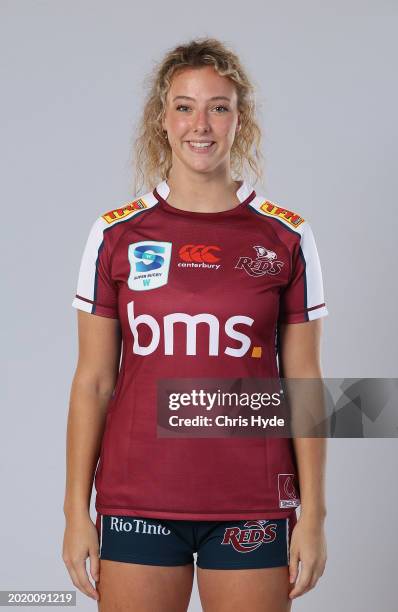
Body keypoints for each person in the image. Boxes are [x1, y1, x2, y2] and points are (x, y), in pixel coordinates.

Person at [62, 37, 328, 612]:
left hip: (252, 501)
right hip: (137, 500)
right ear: (162, 119)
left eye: (219, 106)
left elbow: (303, 382)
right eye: (184, 106)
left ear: (240, 118)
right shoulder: (116, 234)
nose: (200, 124)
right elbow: (94, 382)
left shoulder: (284, 235)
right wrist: (74, 513)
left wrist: (314, 517)